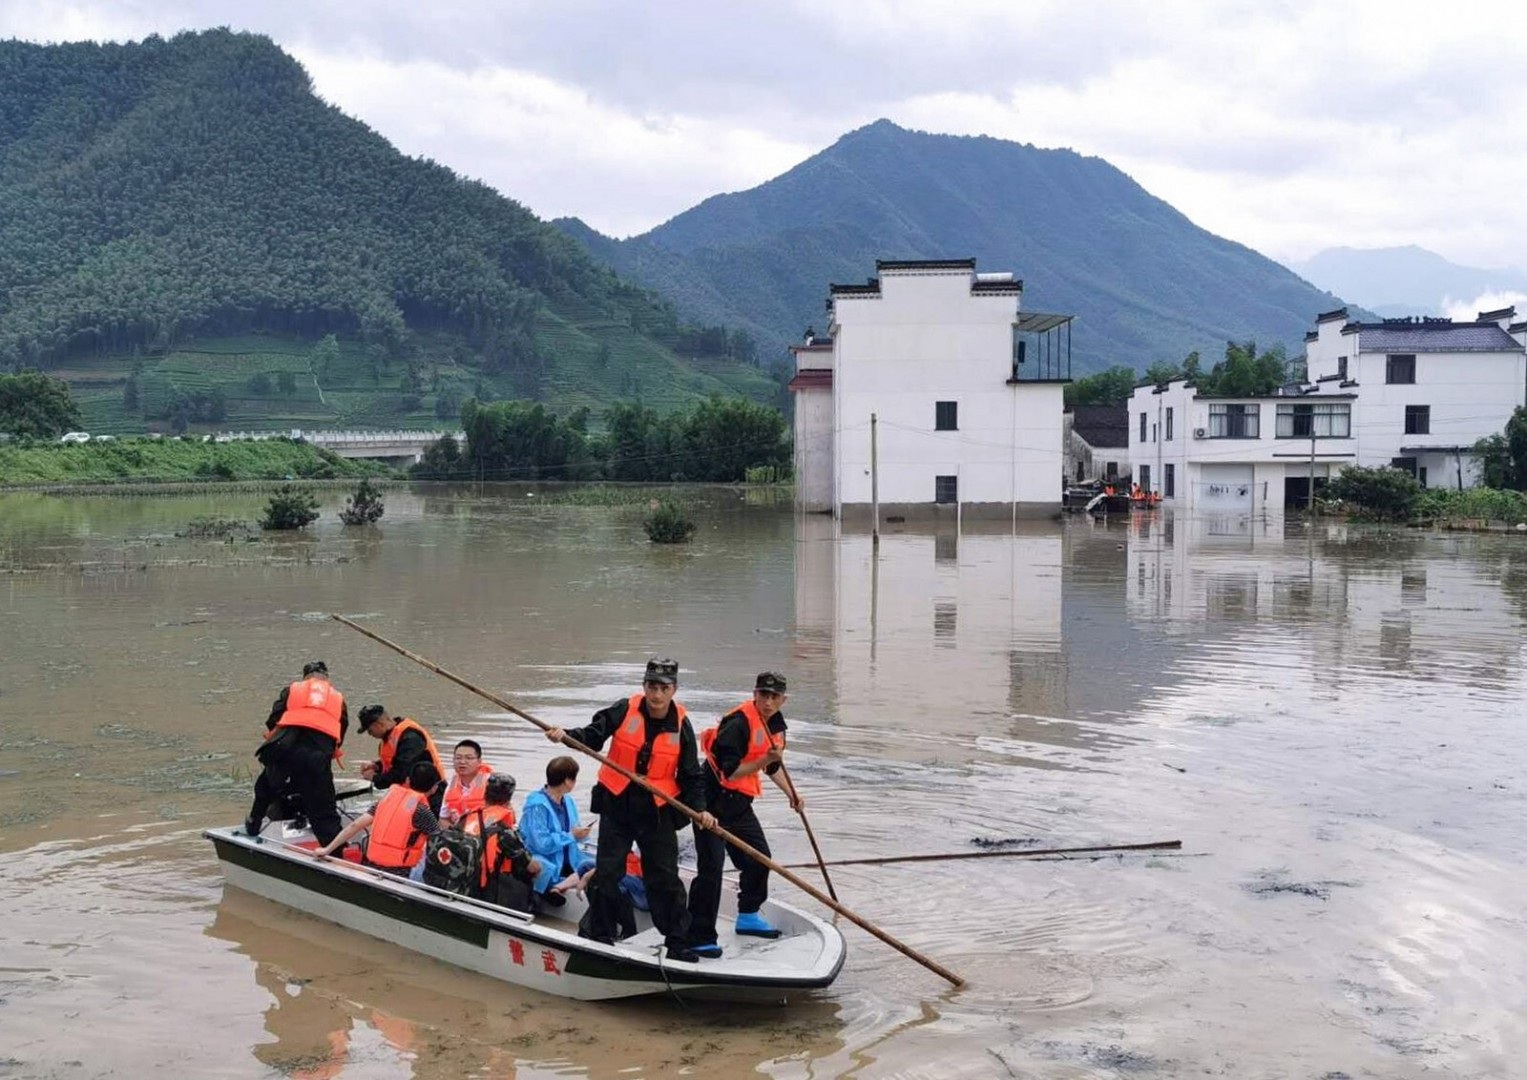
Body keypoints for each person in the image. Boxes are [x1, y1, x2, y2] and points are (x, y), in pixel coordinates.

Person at [544, 658, 716, 962]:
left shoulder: (682, 725)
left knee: (665, 877)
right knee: (608, 872)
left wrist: (701, 809)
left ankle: (678, 942)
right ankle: (600, 935)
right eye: (652, 686)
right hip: (617, 803)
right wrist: (566, 735)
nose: (657, 694)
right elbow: (593, 736)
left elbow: (691, 775)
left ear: (674, 690)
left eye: (664, 688)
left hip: (657, 810)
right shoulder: (624, 709)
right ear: (644, 686)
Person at [686, 671, 800, 956]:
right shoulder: (737, 724)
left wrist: (792, 794)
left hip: (739, 805)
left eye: (774, 697)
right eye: (764, 695)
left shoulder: (776, 725)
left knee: (760, 859)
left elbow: (772, 766)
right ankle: (700, 935)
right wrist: (765, 760)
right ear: (754, 695)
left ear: (783, 700)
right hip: (711, 802)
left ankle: (748, 914)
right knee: (711, 869)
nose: (768, 702)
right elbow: (731, 772)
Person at [246, 661, 348, 845]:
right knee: (323, 811)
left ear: (305, 677)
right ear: (327, 678)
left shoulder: (292, 690)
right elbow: (340, 733)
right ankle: (335, 851)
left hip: (286, 750)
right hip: (318, 756)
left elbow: (273, 720)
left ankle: (253, 825)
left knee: (265, 788)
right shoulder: (337, 698)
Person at [316, 760, 444, 876]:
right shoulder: (423, 811)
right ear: (434, 788)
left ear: (408, 780)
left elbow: (355, 825)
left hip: (371, 866)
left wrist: (327, 849)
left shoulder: (385, 801)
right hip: (401, 873)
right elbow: (440, 843)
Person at [519, 755, 596, 908]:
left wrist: (581, 835)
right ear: (567, 781)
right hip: (545, 858)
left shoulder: (568, 801)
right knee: (542, 866)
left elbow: (575, 831)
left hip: (569, 857)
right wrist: (571, 836)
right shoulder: (537, 806)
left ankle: (564, 885)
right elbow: (541, 844)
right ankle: (548, 890)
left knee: (596, 861)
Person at [461, 772, 541, 911]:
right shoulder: (504, 832)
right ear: (508, 799)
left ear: (485, 794)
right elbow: (531, 867)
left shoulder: (466, 818)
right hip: (485, 891)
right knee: (532, 870)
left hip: (461, 881)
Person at [357, 705, 446, 816]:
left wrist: (374, 777)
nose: (370, 734)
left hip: (432, 793)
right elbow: (395, 762)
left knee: (425, 824)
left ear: (379, 724)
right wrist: (376, 766)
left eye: (370, 731)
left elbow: (401, 773)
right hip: (410, 793)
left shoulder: (410, 737)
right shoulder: (390, 736)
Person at [441, 739, 495, 825]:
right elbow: (443, 818)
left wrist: (478, 830)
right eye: (458, 758)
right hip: (459, 830)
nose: (462, 762)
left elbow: (500, 814)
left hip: (485, 829)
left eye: (469, 758)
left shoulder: (492, 783)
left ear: (479, 761)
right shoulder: (451, 786)